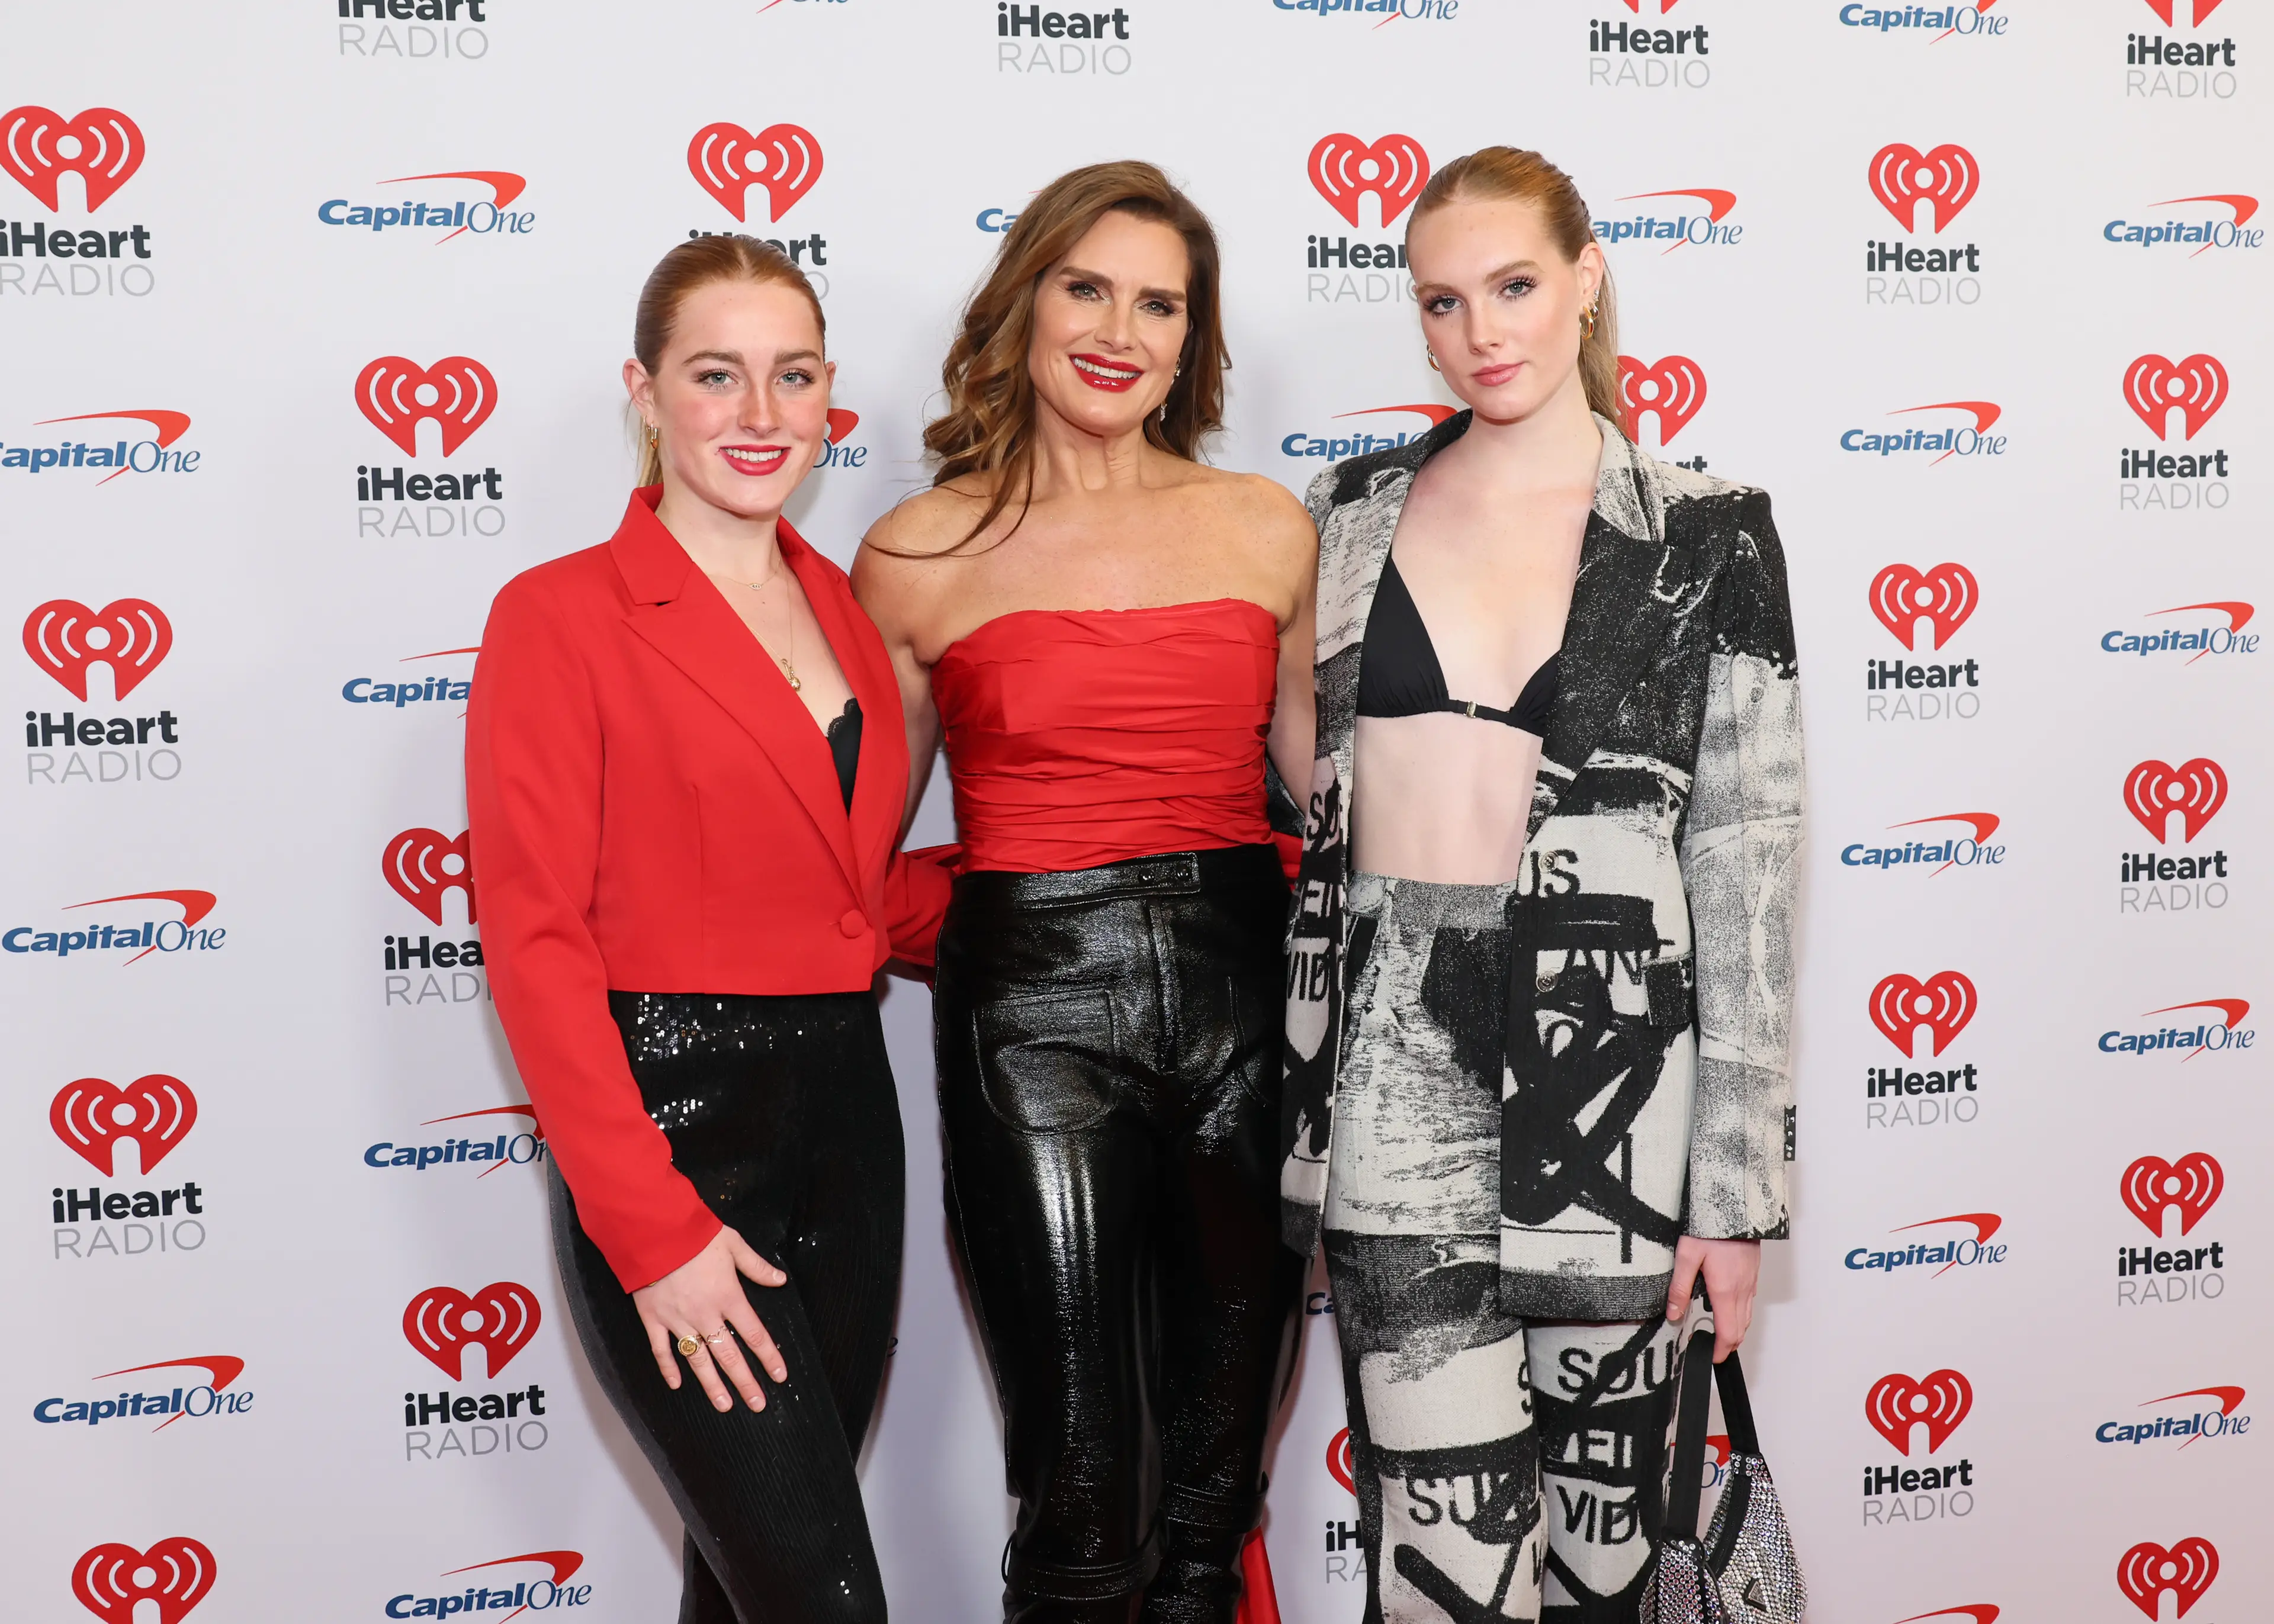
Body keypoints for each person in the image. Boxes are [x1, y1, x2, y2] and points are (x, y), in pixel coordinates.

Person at [1278, 147, 1804, 1624]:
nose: (1481, 332)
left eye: (1513, 286)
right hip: (1390, 1079)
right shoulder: (1349, 512)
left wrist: (1737, 1193)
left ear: (1585, 279)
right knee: (1439, 1566)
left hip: (1617, 1082)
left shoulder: (1706, 528)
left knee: (1610, 1566)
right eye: (1441, 303)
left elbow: (1748, 865)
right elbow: (1300, 791)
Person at [853, 162, 1316, 1624]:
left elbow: (1341, 808)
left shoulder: (1266, 527)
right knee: (1076, 1494)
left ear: (1193, 341)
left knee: (1212, 1493)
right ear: (1027, 306)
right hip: (1032, 1024)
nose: (1121, 328)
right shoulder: (919, 552)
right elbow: (849, 850)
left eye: (1160, 302)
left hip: (1251, 1007)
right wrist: (1006, 922)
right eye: (1088, 287)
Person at [466, 235, 949, 1624]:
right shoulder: (558, 616)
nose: (758, 413)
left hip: (850, 1137)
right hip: (673, 1129)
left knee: (742, 1590)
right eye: (716, 375)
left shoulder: (846, 613)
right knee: (823, 1594)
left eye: (790, 377)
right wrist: (648, 1226)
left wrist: (1124, 873)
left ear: (827, 397)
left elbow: (848, 894)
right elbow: (536, 938)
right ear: (645, 389)